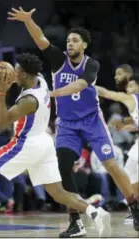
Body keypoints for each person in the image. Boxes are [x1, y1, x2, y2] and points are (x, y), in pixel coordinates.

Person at [7, 7, 139, 234]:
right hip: (67, 124)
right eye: (68, 40)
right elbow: (40, 39)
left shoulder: (91, 65)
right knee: (62, 168)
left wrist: (52, 94)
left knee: (111, 165)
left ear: (84, 45)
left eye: (75, 40)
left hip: (91, 122)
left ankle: (135, 207)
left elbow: (79, 85)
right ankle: (75, 221)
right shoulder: (58, 59)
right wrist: (28, 21)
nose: (70, 43)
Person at [0, 53, 111, 238]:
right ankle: (96, 213)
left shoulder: (28, 101)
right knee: (58, 192)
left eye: (17, 71)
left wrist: (1, 91)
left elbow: (1, 123)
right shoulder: (41, 80)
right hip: (44, 143)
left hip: (25, 143)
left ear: (26, 75)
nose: (13, 73)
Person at [96, 74, 139, 229]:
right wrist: (127, 125)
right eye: (127, 87)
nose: (128, 89)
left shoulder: (132, 98)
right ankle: (136, 209)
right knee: (128, 172)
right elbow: (135, 121)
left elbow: (109, 94)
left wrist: (88, 86)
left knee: (131, 173)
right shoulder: (134, 103)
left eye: (132, 86)